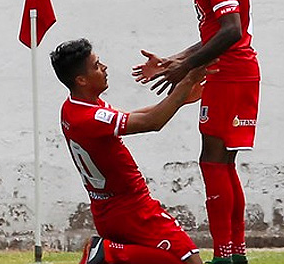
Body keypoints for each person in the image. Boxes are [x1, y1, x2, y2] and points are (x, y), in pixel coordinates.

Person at [132, 0, 260, 264]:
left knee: (213, 162)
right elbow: (217, 33)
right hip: (231, 73)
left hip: (230, 75)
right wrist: (176, 59)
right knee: (223, 164)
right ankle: (235, 254)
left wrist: (187, 67)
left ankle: (224, 255)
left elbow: (232, 32)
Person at [51, 38, 212, 264]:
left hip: (108, 209)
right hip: (132, 209)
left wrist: (179, 99)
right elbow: (152, 123)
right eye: (97, 65)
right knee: (190, 260)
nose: (104, 68)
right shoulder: (90, 117)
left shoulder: (74, 107)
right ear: (81, 80)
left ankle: (111, 254)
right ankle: (108, 253)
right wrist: (188, 80)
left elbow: (136, 117)